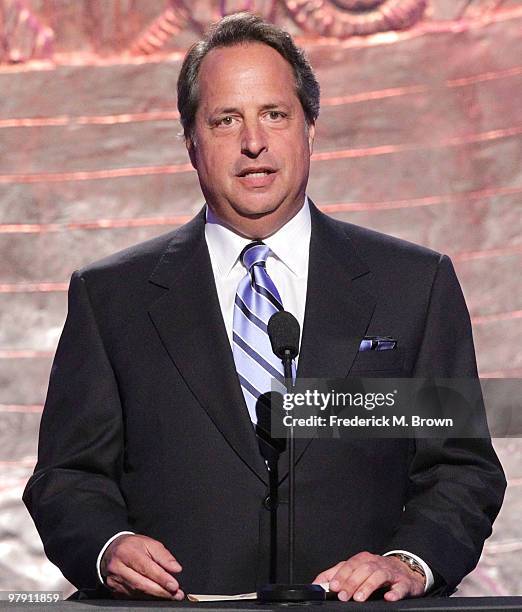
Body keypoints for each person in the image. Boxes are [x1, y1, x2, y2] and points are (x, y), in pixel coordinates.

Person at [23, 12, 506, 603]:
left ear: (310, 130)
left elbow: (460, 469)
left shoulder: (412, 286)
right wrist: (108, 545)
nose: (254, 142)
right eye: (227, 120)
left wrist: (409, 561)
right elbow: (66, 478)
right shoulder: (112, 298)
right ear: (191, 144)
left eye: (274, 114)